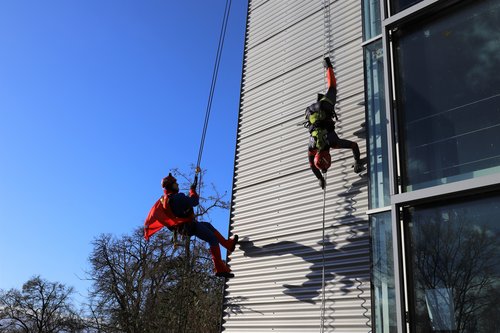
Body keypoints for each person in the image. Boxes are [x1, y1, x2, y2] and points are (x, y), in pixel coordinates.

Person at [144, 173, 238, 278]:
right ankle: (219, 268)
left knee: (208, 226)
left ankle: (227, 244)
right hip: (189, 225)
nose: (177, 184)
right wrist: (192, 191)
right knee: (212, 239)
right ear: (171, 185)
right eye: (175, 183)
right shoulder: (177, 198)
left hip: (184, 228)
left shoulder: (165, 200)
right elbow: (194, 201)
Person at [305, 57, 363, 189]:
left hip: (323, 107)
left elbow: (354, 145)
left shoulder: (333, 143)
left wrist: (357, 162)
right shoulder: (312, 147)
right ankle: (327, 67)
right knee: (330, 89)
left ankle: (328, 65)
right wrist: (320, 178)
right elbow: (312, 166)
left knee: (332, 88)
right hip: (310, 112)